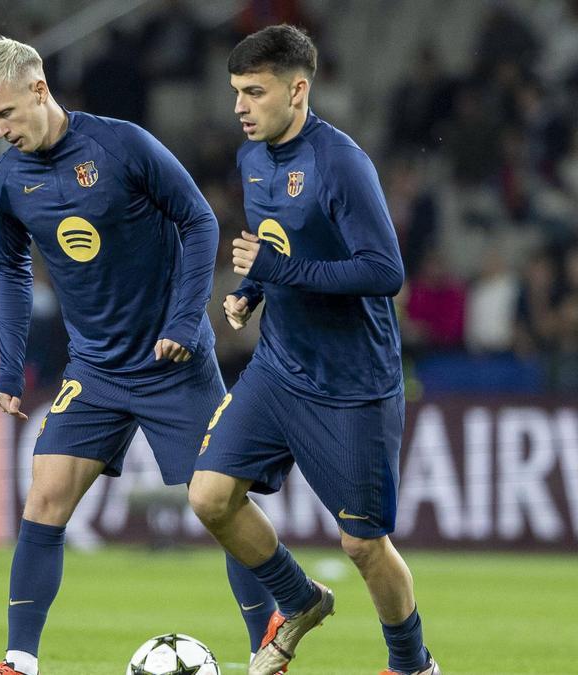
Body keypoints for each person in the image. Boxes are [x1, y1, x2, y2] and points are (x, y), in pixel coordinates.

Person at [0, 37, 275, 675]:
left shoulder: (120, 145)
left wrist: (186, 321)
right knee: (45, 497)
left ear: (39, 91)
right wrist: (8, 366)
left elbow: (199, 221)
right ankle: (19, 659)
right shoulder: (7, 179)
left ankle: (265, 652)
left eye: (5, 115)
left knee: (221, 505)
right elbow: (13, 270)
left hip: (173, 365)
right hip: (95, 370)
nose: (0, 131)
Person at [187, 25, 440, 675]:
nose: (240, 106)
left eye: (254, 92)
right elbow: (276, 242)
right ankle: (299, 600)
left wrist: (279, 271)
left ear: (298, 90)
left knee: (362, 542)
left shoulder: (340, 163)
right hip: (279, 365)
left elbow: (385, 271)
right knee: (210, 496)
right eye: (236, 92)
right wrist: (249, 289)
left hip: (353, 380)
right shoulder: (252, 157)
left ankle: (411, 664)